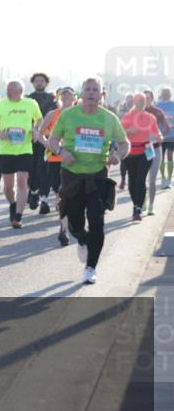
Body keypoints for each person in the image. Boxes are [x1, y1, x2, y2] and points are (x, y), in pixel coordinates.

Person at [48, 77, 128, 285]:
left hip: (97, 176)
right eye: (88, 89)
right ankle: (82, 239)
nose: (91, 93)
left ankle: (91, 268)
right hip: (72, 175)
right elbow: (52, 140)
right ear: (81, 93)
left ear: (101, 94)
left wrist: (117, 155)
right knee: (74, 223)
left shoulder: (109, 118)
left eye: (95, 90)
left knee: (97, 222)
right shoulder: (68, 115)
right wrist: (61, 151)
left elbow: (124, 143)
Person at [0, 80, 43, 228]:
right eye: (7, 89)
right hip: (6, 150)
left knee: (21, 181)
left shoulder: (31, 103)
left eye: (11, 89)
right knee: (7, 187)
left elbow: (39, 119)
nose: (8, 91)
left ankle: (18, 216)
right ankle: (13, 204)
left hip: (24, 149)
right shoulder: (1, 104)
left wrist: (36, 130)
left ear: (20, 91)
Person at [36, 86, 77, 245]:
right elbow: (39, 134)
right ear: (59, 98)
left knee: (70, 193)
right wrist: (50, 146)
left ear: (74, 98)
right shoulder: (53, 114)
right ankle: (64, 223)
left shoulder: (80, 114)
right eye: (63, 95)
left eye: (69, 94)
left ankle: (64, 228)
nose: (66, 97)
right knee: (60, 191)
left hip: (75, 159)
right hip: (54, 159)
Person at [120, 93, 163, 222]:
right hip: (130, 152)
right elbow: (119, 133)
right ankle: (135, 205)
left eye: (143, 101)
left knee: (141, 180)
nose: (140, 103)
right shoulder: (127, 117)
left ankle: (138, 208)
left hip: (146, 151)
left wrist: (159, 136)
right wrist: (128, 131)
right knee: (133, 181)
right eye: (138, 101)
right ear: (134, 101)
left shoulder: (150, 117)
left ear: (146, 103)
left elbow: (156, 132)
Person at [27, 73, 57, 212]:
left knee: (44, 168)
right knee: (31, 168)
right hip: (31, 139)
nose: (39, 83)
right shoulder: (28, 99)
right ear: (33, 83)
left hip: (47, 139)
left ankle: (44, 198)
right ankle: (33, 192)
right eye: (37, 81)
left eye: (42, 81)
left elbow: (55, 116)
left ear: (46, 83)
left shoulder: (52, 99)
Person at [143, 90, 171, 214]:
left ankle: (151, 206)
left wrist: (159, 136)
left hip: (155, 147)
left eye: (148, 98)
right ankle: (142, 204)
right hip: (141, 149)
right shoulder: (138, 112)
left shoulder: (158, 112)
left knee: (152, 179)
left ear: (152, 99)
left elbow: (167, 128)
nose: (146, 100)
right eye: (144, 98)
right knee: (141, 180)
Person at [156, 87, 174, 189]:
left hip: (172, 135)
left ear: (170, 94)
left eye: (167, 93)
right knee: (161, 158)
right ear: (162, 94)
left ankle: (169, 179)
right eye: (164, 93)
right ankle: (163, 178)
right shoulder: (158, 105)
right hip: (161, 136)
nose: (166, 95)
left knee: (170, 155)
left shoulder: (173, 104)